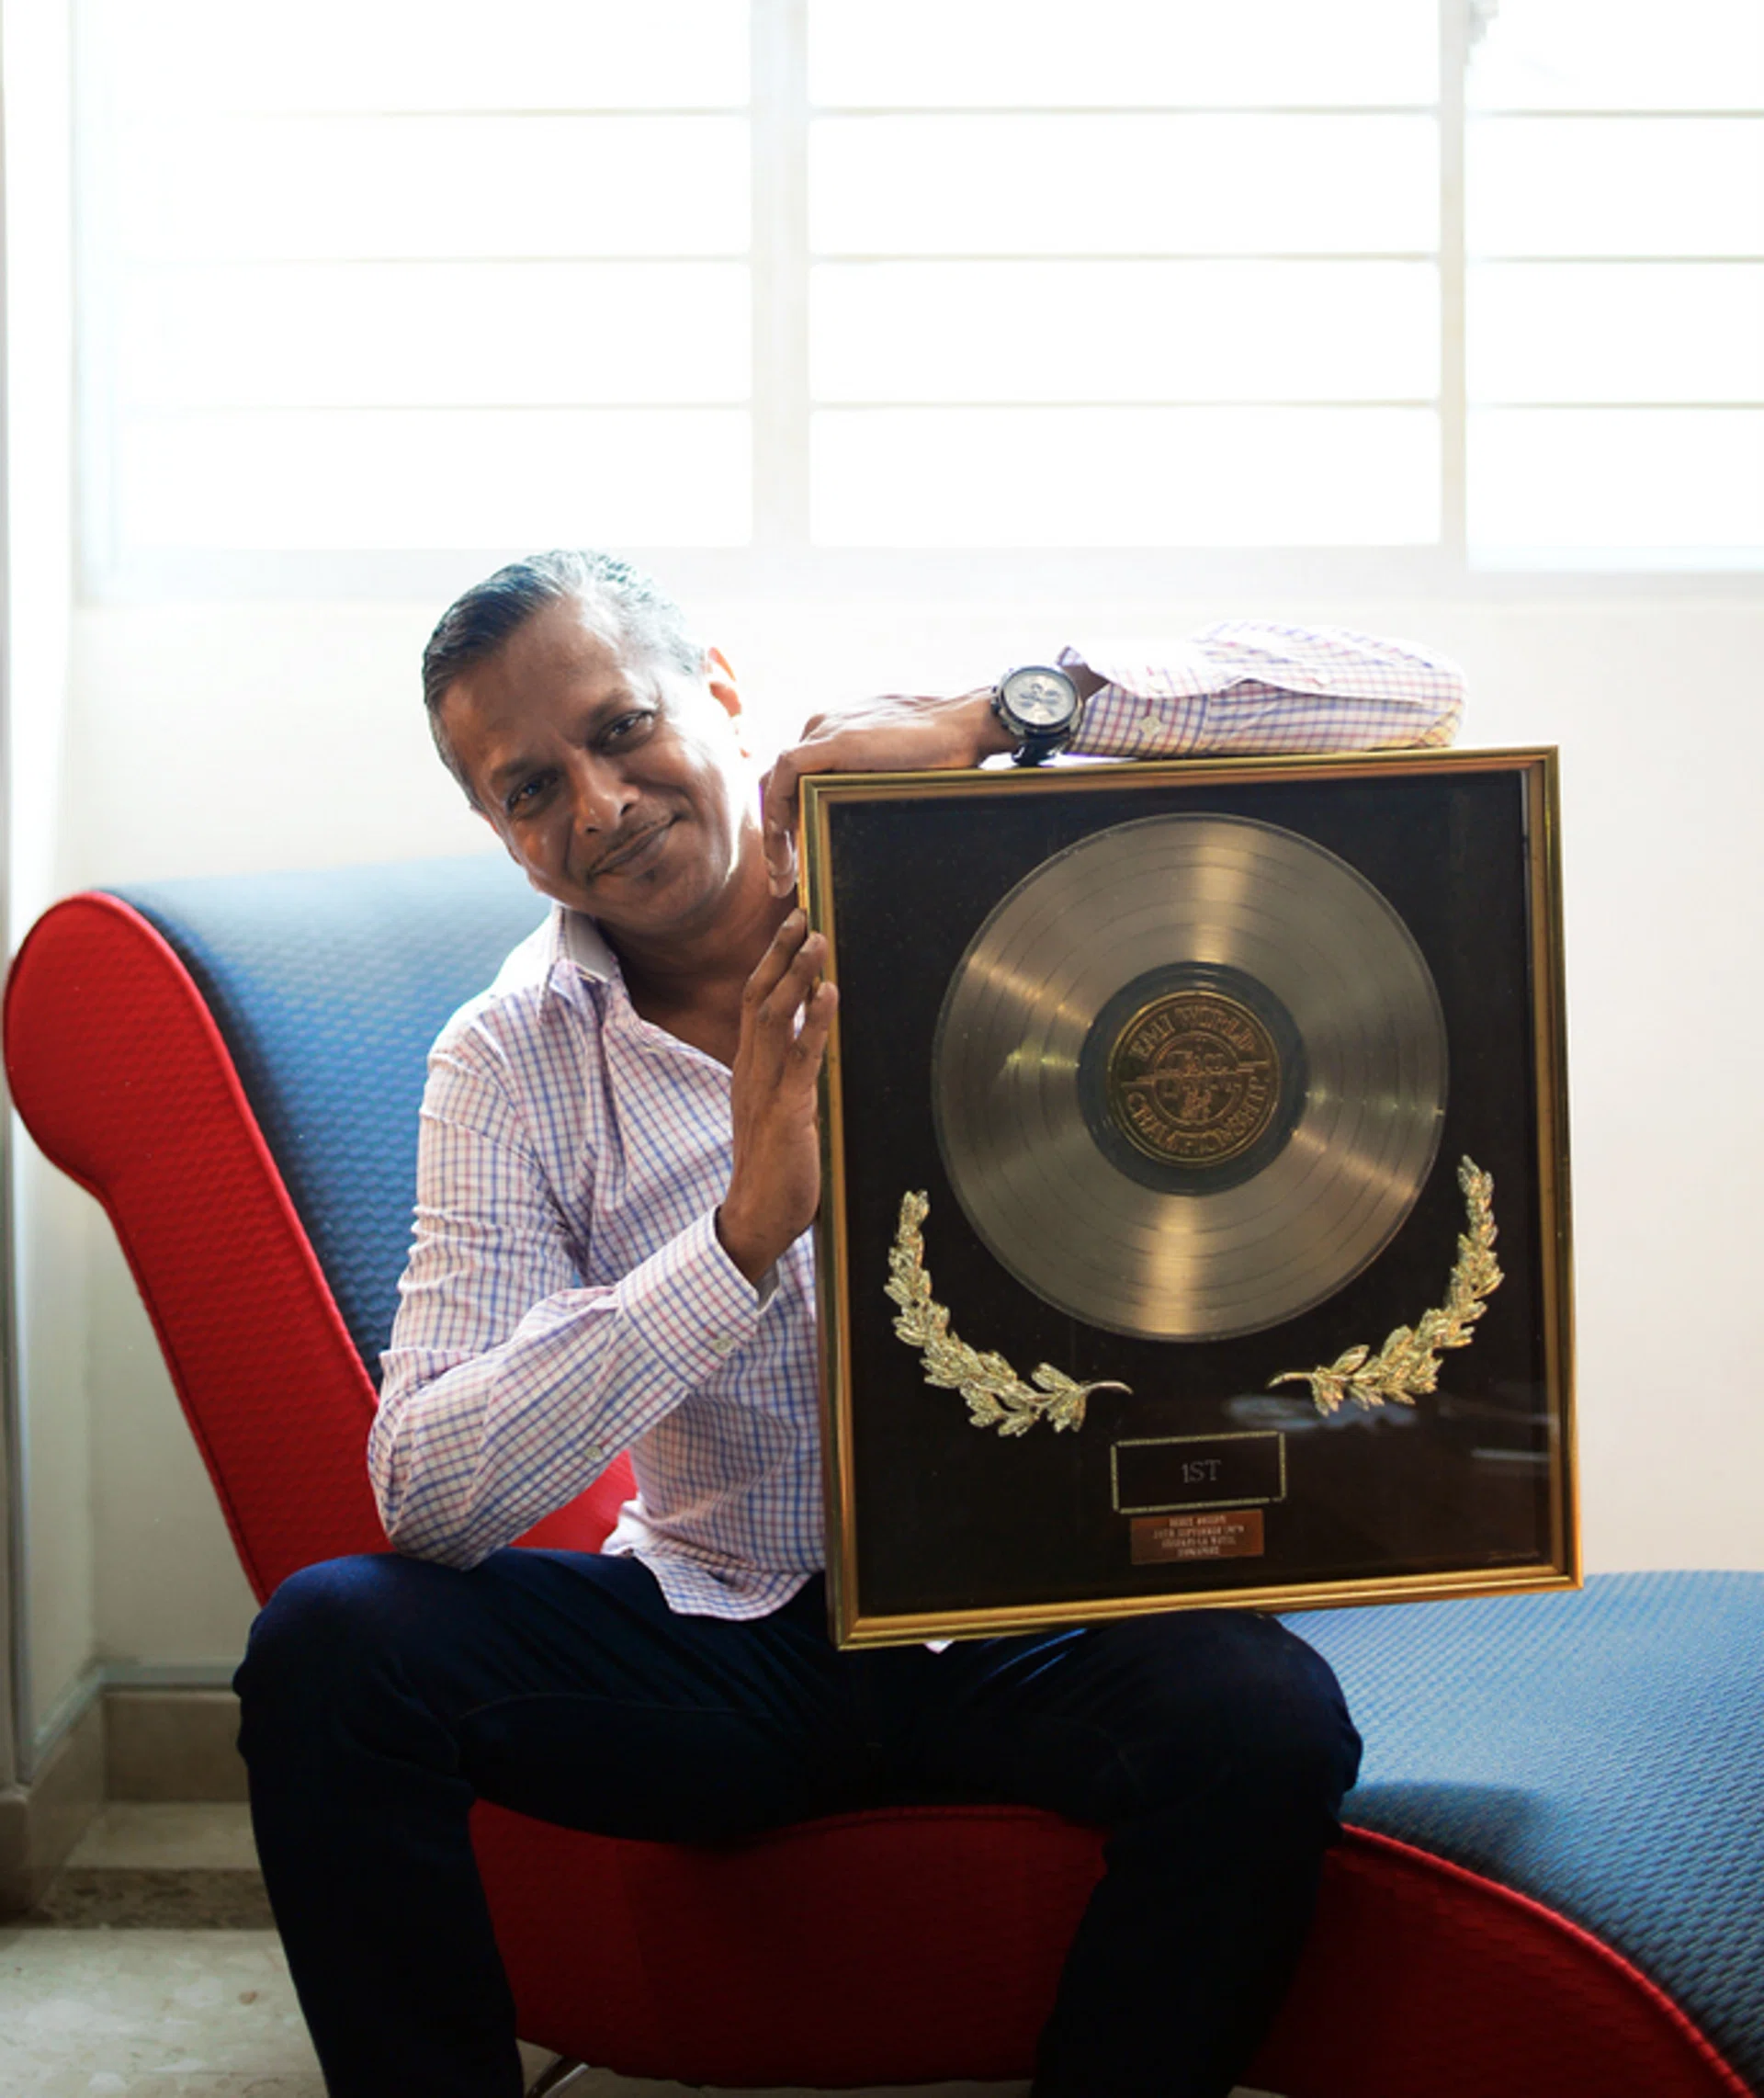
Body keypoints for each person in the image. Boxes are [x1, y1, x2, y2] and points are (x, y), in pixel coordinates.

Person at [234, 549, 1465, 2098]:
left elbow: (1412, 697)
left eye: (622, 729)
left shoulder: (960, 859)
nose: (600, 804)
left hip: (1036, 1615)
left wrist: (1005, 710)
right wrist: (737, 1238)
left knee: (1265, 1720)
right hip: (732, 1640)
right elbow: (425, 1485)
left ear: (720, 692)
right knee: (329, 1648)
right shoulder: (507, 1057)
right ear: (499, 831)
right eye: (530, 788)